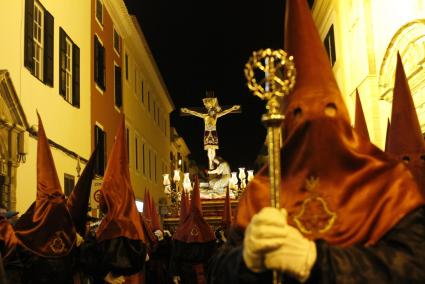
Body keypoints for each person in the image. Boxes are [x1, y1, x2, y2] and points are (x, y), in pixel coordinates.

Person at [207, 0, 425, 283]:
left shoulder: (387, 183)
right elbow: (218, 270)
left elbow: (414, 266)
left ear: (342, 113)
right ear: (286, 124)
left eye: (328, 110)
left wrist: (318, 260)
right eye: (297, 114)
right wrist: (244, 259)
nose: (313, 122)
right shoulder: (263, 192)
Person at [171, 177, 216, 284]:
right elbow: (213, 256)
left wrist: (174, 273)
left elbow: (175, 255)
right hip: (200, 272)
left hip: (187, 272)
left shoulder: (182, 232)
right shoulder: (208, 232)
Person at [181, 94, 240, 169]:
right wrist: (188, 111)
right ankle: (210, 161)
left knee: (213, 148)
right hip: (207, 132)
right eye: (211, 110)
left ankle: (212, 161)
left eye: (213, 110)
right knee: (209, 148)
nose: (212, 111)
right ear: (208, 111)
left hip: (213, 131)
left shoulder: (215, 116)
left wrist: (232, 109)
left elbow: (224, 112)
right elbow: (196, 113)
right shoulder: (205, 116)